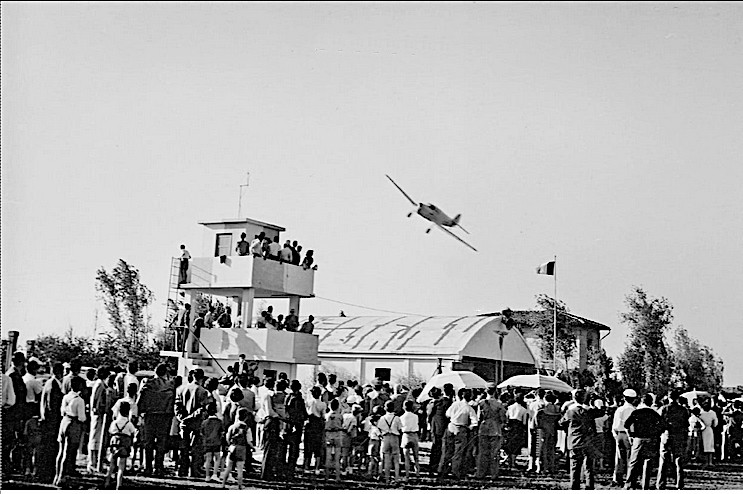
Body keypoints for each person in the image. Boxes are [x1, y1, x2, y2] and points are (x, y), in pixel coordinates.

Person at [136, 363, 174, 477]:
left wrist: (140, 413)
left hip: (149, 416)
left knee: (148, 443)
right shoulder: (170, 386)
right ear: (165, 373)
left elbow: (139, 401)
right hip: (164, 417)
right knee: (161, 443)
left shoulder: (148, 384)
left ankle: (148, 468)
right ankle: (159, 468)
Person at [559, 388, 601, 490]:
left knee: (575, 466)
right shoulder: (589, 412)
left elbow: (561, 423)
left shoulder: (570, 412)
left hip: (574, 441)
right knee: (589, 466)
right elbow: (601, 412)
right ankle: (589, 486)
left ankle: (575, 487)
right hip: (588, 441)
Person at [174, 368, 210, 477]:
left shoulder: (181, 389)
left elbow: (177, 406)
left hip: (184, 422)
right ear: (201, 378)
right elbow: (203, 408)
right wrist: (191, 416)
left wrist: (181, 417)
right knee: (196, 449)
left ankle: (182, 469)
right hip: (196, 422)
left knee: (183, 447)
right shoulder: (203, 391)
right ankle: (194, 470)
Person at [624, 393, 664, 490]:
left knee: (633, 462)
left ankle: (629, 483)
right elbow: (662, 426)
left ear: (642, 401)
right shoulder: (654, 413)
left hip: (638, 439)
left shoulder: (636, 412)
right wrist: (656, 434)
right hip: (650, 439)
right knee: (648, 462)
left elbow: (626, 425)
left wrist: (631, 435)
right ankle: (645, 484)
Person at [54, 376, 87, 487]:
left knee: (60, 450)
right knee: (67, 452)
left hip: (64, 421)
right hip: (73, 423)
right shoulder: (79, 400)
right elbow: (82, 417)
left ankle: (57, 475)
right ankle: (61, 477)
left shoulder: (65, 397)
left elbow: (62, 411)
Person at [657, 389, 691, 489]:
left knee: (663, 460)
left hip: (667, 435)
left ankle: (661, 484)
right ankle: (679, 483)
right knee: (679, 460)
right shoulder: (683, 410)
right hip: (679, 435)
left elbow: (659, 423)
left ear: (668, 397)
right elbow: (686, 424)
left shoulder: (664, 409)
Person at [38, 362, 64, 482]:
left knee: (48, 448)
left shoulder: (50, 383)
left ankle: (45, 472)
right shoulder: (53, 385)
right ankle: (46, 473)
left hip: (48, 421)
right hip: (52, 422)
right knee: (50, 448)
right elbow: (52, 406)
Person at [476, 385, 507, 480]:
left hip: (483, 428)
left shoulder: (481, 403)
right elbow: (503, 418)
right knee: (494, 453)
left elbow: (478, 418)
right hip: (495, 429)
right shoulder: (499, 404)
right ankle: (494, 473)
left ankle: (480, 473)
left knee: (482, 452)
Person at [104, 401, 137, 489]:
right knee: (121, 466)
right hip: (124, 446)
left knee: (111, 465)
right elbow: (134, 431)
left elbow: (110, 431)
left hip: (114, 444)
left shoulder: (114, 423)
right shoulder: (129, 424)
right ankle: (119, 484)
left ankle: (107, 481)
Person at [611, 388, 638, 487]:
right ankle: (629, 478)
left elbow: (615, 424)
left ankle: (617, 478)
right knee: (630, 457)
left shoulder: (620, 409)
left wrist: (615, 434)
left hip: (619, 433)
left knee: (619, 457)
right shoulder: (634, 410)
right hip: (629, 434)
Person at [222, 407, 253, 489]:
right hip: (242, 448)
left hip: (232, 447)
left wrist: (229, 444)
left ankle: (223, 483)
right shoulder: (247, 428)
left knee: (228, 467)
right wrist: (252, 447)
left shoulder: (232, 427)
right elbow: (249, 441)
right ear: (246, 417)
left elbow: (227, 438)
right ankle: (240, 485)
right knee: (240, 468)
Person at [87, 366, 111, 473]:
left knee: (99, 438)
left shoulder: (102, 384)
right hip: (97, 415)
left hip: (101, 415)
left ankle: (97, 461)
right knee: (94, 438)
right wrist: (97, 410)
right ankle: (92, 463)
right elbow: (95, 400)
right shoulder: (99, 384)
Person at [284, 380, 308, 478]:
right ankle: (291, 468)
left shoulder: (288, 397)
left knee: (287, 446)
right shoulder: (297, 399)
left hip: (289, 424)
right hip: (296, 424)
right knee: (294, 448)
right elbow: (300, 412)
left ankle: (287, 468)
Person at [537, 391, 562, 475]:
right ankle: (552, 467)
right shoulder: (557, 409)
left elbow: (537, 421)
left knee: (543, 450)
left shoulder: (542, 410)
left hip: (543, 430)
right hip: (554, 430)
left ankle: (543, 468)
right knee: (552, 449)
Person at [427, 386, 449, 477]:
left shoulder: (432, 404)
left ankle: (433, 467)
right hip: (444, 426)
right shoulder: (446, 402)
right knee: (443, 447)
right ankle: (441, 467)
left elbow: (428, 415)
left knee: (435, 447)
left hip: (435, 426)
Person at [304, 386, 326, 474]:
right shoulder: (322, 404)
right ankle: (317, 467)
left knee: (308, 446)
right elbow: (323, 416)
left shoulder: (308, 402)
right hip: (318, 424)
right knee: (317, 446)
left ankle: (306, 466)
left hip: (309, 423)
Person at [504, 392, 528, 470]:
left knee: (509, 444)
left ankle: (509, 461)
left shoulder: (510, 407)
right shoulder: (523, 410)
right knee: (516, 445)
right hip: (518, 427)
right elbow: (524, 422)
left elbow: (506, 417)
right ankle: (513, 463)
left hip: (510, 426)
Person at [201, 401, 223, 482]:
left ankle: (207, 475)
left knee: (208, 459)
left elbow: (202, 433)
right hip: (216, 442)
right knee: (217, 458)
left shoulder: (204, 422)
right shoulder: (219, 422)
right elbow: (221, 432)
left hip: (207, 442)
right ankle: (214, 474)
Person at [400, 399, 420, 480]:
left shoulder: (401, 417)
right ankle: (417, 472)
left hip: (406, 435)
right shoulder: (416, 416)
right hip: (414, 434)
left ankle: (407, 473)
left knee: (406, 457)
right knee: (416, 457)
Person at [699, 399, 719, 467]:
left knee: (709, 446)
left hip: (706, 430)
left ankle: (709, 462)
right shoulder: (711, 413)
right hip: (705, 430)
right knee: (706, 446)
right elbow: (715, 423)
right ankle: (707, 461)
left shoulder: (704, 413)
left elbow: (715, 423)